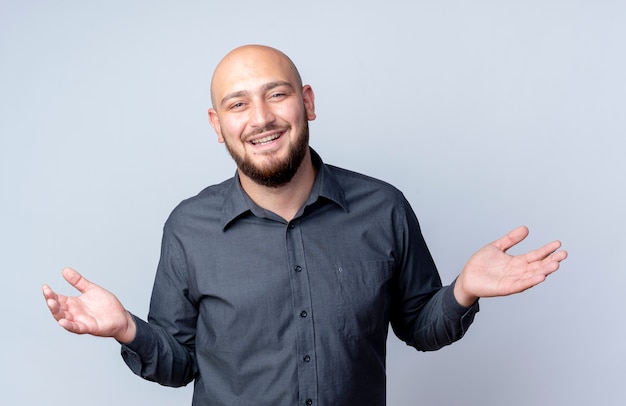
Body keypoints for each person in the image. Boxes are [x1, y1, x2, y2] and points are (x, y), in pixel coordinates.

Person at [42, 45, 567, 405]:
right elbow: (179, 365)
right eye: (237, 103)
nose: (261, 118)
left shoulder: (383, 208)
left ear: (307, 102)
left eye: (277, 94)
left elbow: (421, 329)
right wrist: (127, 330)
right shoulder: (188, 228)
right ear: (216, 125)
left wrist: (465, 290)